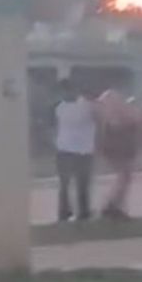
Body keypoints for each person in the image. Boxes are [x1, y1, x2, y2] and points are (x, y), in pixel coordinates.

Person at [54, 79, 97, 223]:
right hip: (69, 149)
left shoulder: (84, 106)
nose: (66, 93)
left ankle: (79, 212)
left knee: (79, 183)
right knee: (68, 184)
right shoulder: (62, 107)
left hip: (80, 150)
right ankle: (67, 212)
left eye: (68, 89)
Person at [96, 86, 142, 220]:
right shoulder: (115, 114)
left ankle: (116, 206)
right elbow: (125, 123)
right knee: (124, 176)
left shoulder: (111, 111)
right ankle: (111, 205)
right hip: (118, 148)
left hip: (121, 148)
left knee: (125, 177)